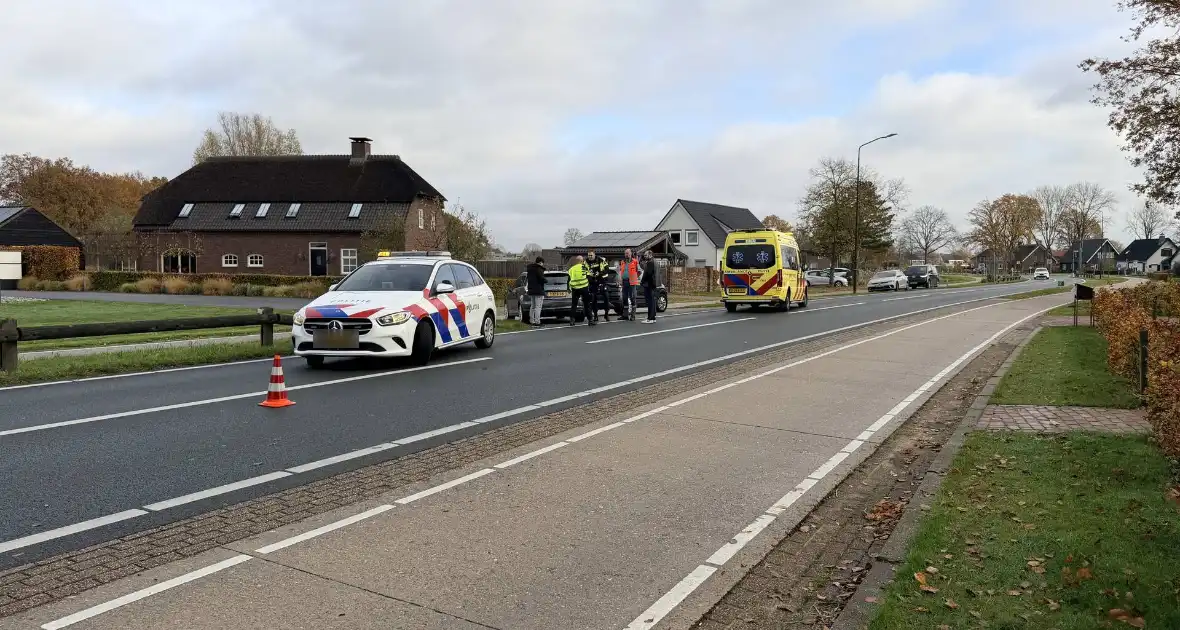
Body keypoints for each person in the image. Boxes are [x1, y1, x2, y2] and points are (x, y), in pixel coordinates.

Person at [566, 255, 594, 326]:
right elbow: (589, 278)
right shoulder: (585, 267)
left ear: (576, 261)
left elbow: (569, 280)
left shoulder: (571, 269)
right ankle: (590, 320)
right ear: (582, 261)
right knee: (587, 304)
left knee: (574, 305)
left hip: (575, 288)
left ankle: (572, 320)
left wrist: (568, 288)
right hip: (584, 287)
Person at [585, 250, 611, 323]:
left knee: (606, 297)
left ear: (594, 255)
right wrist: (591, 279)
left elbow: (607, 269)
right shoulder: (586, 262)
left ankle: (606, 314)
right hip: (593, 283)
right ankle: (595, 315)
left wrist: (600, 273)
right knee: (593, 299)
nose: (590, 257)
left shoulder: (600, 260)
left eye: (591, 255)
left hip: (602, 281)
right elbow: (586, 272)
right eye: (589, 255)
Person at [618, 248, 640, 321]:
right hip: (624, 282)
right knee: (624, 298)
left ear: (630, 253)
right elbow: (621, 271)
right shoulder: (622, 262)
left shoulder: (635, 261)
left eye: (627, 253)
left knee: (632, 298)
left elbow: (639, 271)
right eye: (625, 253)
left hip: (632, 283)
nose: (626, 255)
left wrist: (635, 277)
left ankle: (633, 315)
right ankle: (625, 315)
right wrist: (620, 279)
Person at [525, 256, 546, 327]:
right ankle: (537, 322)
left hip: (531, 290)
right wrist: (546, 280)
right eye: (542, 263)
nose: (542, 264)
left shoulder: (530, 269)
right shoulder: (539, 269)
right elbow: (541, 278)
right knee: (538, 306)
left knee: (533, 306)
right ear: (540, 262)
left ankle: (532, 320)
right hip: (538, 290)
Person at [640, 250, 658, 324]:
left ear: (650, 255)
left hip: (649, 284)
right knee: (652, 301)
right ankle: (653, 318)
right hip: (653, 284)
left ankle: (650, 318)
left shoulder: (650, 262)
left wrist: (642, 281)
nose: (644, 256)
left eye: (646, 255)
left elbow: (648, 273)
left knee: (650, 301)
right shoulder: (654, 261)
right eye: (644, 255)